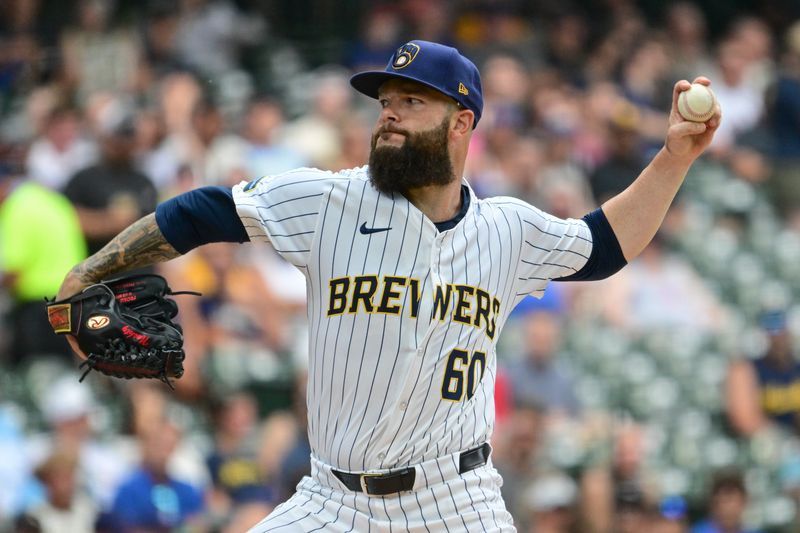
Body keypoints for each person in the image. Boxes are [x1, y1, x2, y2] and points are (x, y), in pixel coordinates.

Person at [54, 40, 721, 531]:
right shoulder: (330, 200)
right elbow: (202, 210)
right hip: (332, 501)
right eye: (386, 101)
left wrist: (674, 156)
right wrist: (92, 270)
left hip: (456, 501)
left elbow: (603, 247)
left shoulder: (507, 231)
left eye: (412, 101)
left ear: (462, 122)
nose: (390, 113)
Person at [726, 310, 800, 436]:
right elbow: (746, 420)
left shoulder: (796, 366)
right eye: (772, 334)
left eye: (782, 332)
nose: (778, 340)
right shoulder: (746, 369)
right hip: (770, 444)